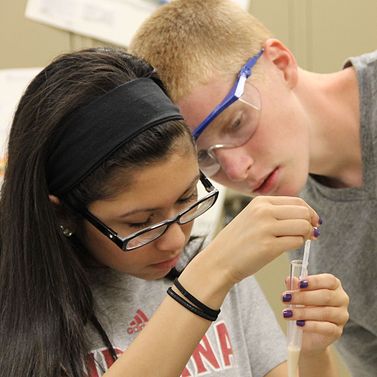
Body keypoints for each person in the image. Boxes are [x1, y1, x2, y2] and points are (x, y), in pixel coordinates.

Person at [0, 47, 348, 377]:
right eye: (140, 223)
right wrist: (207, 278)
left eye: (185, 200)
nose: (174, 241)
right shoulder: (19, 313)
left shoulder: (217, 272)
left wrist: (312, 350)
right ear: (62, 214)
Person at [129, 1, 377, 375]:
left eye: (236, 122)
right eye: (205, 157)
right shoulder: (304, 225)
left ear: (280, 63)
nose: (237, 169)